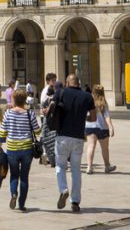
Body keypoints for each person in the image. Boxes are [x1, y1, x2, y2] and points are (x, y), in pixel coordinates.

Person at [53, 74, 96, 213]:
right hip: (78, 137)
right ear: (79, 83)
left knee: (60, 165)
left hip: (62, 136)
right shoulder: (87, 96)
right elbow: (93, 117)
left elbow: (52, 110)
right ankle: (75, 201)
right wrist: (83, 116)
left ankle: (63, 189)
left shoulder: (61, 93)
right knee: (76, 169)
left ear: (67, 83)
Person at [0, 88, 41, 212]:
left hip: (12, 149)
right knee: (24, 176)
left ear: (14, 100)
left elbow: (3, 130)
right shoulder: (30, 113)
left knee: (14, 174)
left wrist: (0, 144)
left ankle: (13, 194)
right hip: (27, 149)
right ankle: (21, 204)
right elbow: (37, 131)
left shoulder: (8, 113)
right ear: (25, 100)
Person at [84, 85, 116, 174]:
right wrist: (111, 127)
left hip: (90, 126)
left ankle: (89, 167)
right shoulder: (103, 103)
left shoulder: (88, 101)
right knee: (104, 148)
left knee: (91, 146)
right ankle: (107, 166)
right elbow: (107, 116)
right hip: (102, 127)